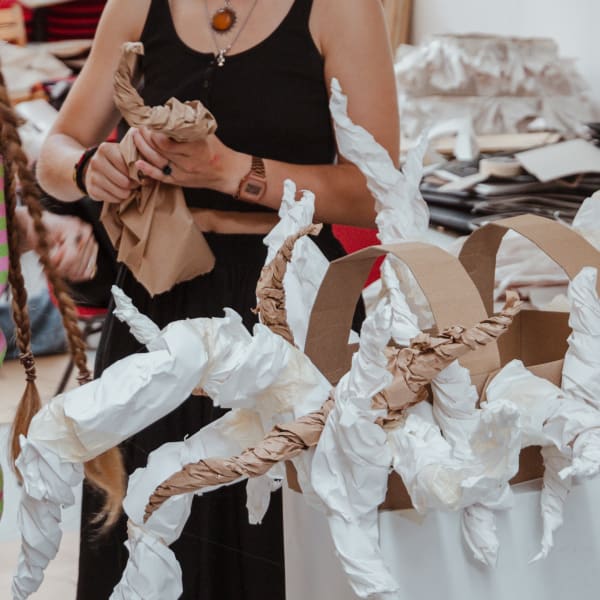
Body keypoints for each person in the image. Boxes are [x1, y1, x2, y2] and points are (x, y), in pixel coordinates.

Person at [36, 0, 400, 598]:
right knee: (144, 526)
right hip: (156, 302)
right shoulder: (136, 5)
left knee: (276, 539)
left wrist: (233, 172)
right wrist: (86, 169)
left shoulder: (342, 9)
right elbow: (56, 150)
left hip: (290, 308)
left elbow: (376, 192)